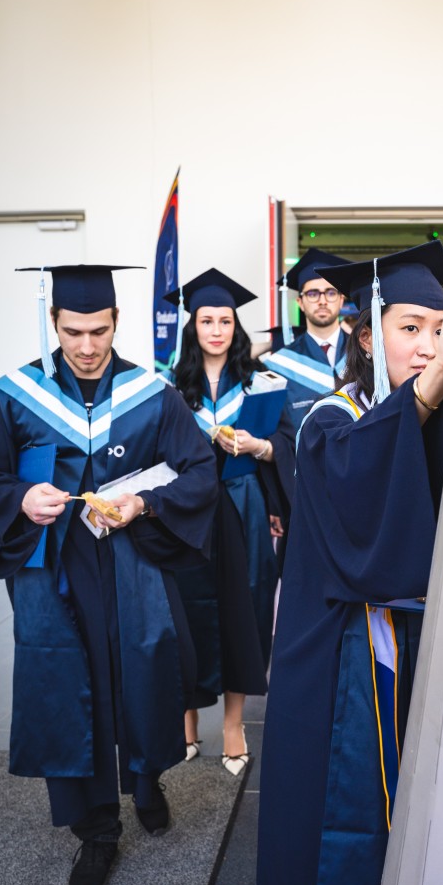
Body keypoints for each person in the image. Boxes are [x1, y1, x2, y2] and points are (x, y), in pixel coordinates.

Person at [256, 241, 443, 885]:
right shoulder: (329, 421)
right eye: (408, 327)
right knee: (343, 837)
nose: (423, 345)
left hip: (421, 661)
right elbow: (354, 482)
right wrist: (438, 380)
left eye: (434, 330)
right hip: (347, 669)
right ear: (365, 333)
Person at [0, 264, 218, 885]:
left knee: (141, 669)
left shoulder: (149, 393)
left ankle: (147, 779)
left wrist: (144, 506)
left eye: (98, 331)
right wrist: (19, 498)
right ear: (54, 325)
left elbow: (198, 470)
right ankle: (96, 830)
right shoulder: (17, 395)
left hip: (131, 561)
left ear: (116, 323)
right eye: (73, 332)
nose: (87, 347)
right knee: (69, 683)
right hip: (54, 572)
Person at [166, 268, 295, 775]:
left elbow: (283, 445)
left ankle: (236, 723)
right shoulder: (169, 389)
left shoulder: (261, 385)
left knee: (247, 608)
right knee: (187, 610)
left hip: (244, 506)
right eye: (206, 320)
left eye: (225, 320)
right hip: (189, 513)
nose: (216, 329)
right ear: (193, 328)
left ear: (235, 328)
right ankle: (187, 720)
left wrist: (257, 445)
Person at [263, 248, 352, 431]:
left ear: (341, 300)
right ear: (300, 303)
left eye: (330, 292)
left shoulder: (366, 353)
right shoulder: (280, 364)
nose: (322, 301)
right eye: (312, 294)